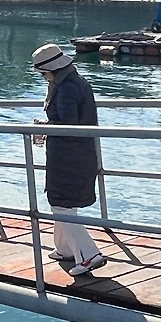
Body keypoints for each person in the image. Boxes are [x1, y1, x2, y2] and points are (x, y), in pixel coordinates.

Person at [33, 42, 106, 277]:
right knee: (64, 201)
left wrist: (44, 127)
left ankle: (88, 254)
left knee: (60, 201)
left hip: (68, 156)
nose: (43, 78)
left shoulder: (65, 89)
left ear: (51, 70)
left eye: (43, 73)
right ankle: (64, 248)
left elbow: (67, 124)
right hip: (79, 153)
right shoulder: (77, 82)